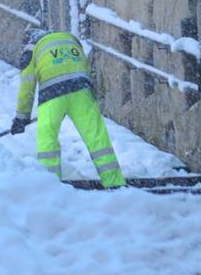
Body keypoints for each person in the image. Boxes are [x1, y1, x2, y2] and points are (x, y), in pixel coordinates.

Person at [11, 28, 127, 188]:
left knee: (47, 138)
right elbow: (83, 65)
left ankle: (49, 185)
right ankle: (115, 182)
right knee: (97, 137)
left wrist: (21, 118)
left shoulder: (31, 49)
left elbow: (27, 87)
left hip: (52, 95)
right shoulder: (69, 39)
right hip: (81, 90)